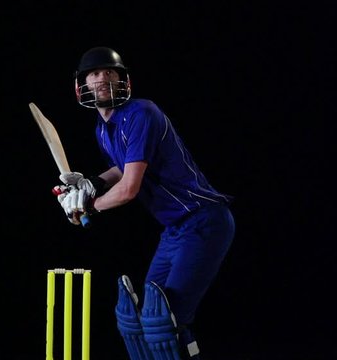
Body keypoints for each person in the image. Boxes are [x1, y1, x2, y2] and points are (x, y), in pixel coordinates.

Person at [55, 46, 235, 359]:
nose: (102, 79)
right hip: (174, 230)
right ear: (82, 84)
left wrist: (88, 205)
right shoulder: (103, 129)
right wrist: (91, 183)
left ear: (122, 79)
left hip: (203, 220)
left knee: (166, 322)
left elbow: (128, 188)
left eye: (109, 72)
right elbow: (123, 167)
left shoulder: (141, 113)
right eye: (94, 73)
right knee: (140, 322)